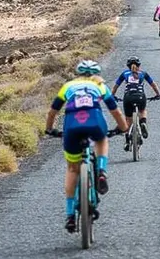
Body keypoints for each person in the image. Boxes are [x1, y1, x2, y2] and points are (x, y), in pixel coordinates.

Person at [45, 59, 128, 233]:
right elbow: (115, 111)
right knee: (102, 139)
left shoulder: (68, 87)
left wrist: (50, 130)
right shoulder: (100, 86)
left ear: (78, 73)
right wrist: (123, 128)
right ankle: (102, 171)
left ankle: (69, 215)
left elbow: (53, 111)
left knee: (72, 169)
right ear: (96, 73)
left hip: (71, 126)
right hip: (94, 121)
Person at [111, 56, 160, 151]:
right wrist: (158, 95)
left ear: (128, 66)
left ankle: (127, 141)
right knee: (142, 110)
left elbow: (115, 87)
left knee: (128, 121)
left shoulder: (124, 74)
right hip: (140, 96)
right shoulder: (143, 73)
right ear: (139, 65)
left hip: (128, 97)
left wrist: (113, 96)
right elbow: (153, 85)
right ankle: (143, 122)